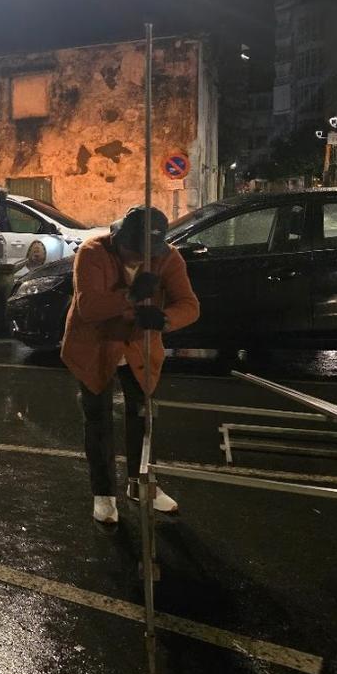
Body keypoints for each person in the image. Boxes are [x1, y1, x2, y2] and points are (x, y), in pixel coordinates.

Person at [61, 205, 200, 524]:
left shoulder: (168, 257)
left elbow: (189, 305)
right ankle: (104, 494)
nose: (136, 258)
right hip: (95, 346)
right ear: (118, 238)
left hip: (140, 348)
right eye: (131, 250)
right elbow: (89, 307)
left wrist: (165, 319)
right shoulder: (92, 252)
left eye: (144, 253)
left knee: (143, 417)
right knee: (98, 420)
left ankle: (141, 485)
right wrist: (131, 297)